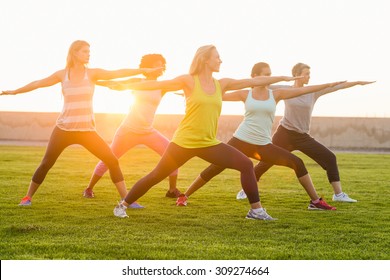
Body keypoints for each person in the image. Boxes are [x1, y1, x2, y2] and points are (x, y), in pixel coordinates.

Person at [112, 45, 302, 220]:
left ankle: (256, 210)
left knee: (245, 164)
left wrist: (283, 79)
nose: (220, 61)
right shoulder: (188, 81)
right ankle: (122, 205)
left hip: (208, 142)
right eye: (217, 57)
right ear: (205, 60)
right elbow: (157, 85)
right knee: (156, 176)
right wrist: (125, 86)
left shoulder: (222, 84)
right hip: (183, 142)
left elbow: (253, 80)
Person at [0, 40, 159, 206]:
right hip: (64, 129)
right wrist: (14, 92)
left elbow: (116, 73)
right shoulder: (62, 74)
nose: (88, 54)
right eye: (84, 51)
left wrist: (144, 70)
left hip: (86, 131)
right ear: (74, 53)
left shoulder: (92, 73)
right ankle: (27, 198)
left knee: (112, 160)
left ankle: (127, 200)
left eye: (89, 51)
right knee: (46, 163)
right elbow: (38, 84)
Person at [178, 62, 345, 210]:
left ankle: (315, 202)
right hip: (241, 140)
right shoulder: (245, 94)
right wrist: (190, 93)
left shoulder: (276, 94)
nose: (269, 77)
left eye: (270, 74)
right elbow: (214, 95)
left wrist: (327, 85)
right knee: (215, 167)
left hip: (263, 144)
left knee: (297, 163)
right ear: (255, 77)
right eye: (266, 74)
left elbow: (304, 89)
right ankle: (184, 195)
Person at [250, 63, 375, 203]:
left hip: (302, 136)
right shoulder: (285, 89)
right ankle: (247, 188)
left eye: (310, 73)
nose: (309, 76)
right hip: (284, 134)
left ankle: (338, 195)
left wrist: (356, 83)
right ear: (298, 74)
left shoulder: (313, 91)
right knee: (266, 161)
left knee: (330, 158)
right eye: (307, 73)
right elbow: (260, 85)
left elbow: (335, 87)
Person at [83, 54, 182, 208]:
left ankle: (172, 190)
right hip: (128, 131)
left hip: (148, 131)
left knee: (172, 155)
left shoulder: (162, 86)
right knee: (109, 159)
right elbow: (115, 83)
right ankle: (89, 189)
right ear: (147, 66)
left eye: (162, 65)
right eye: (156, 64)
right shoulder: (137, 82)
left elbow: (182, 86)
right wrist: (93, 80)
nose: (159, 68)